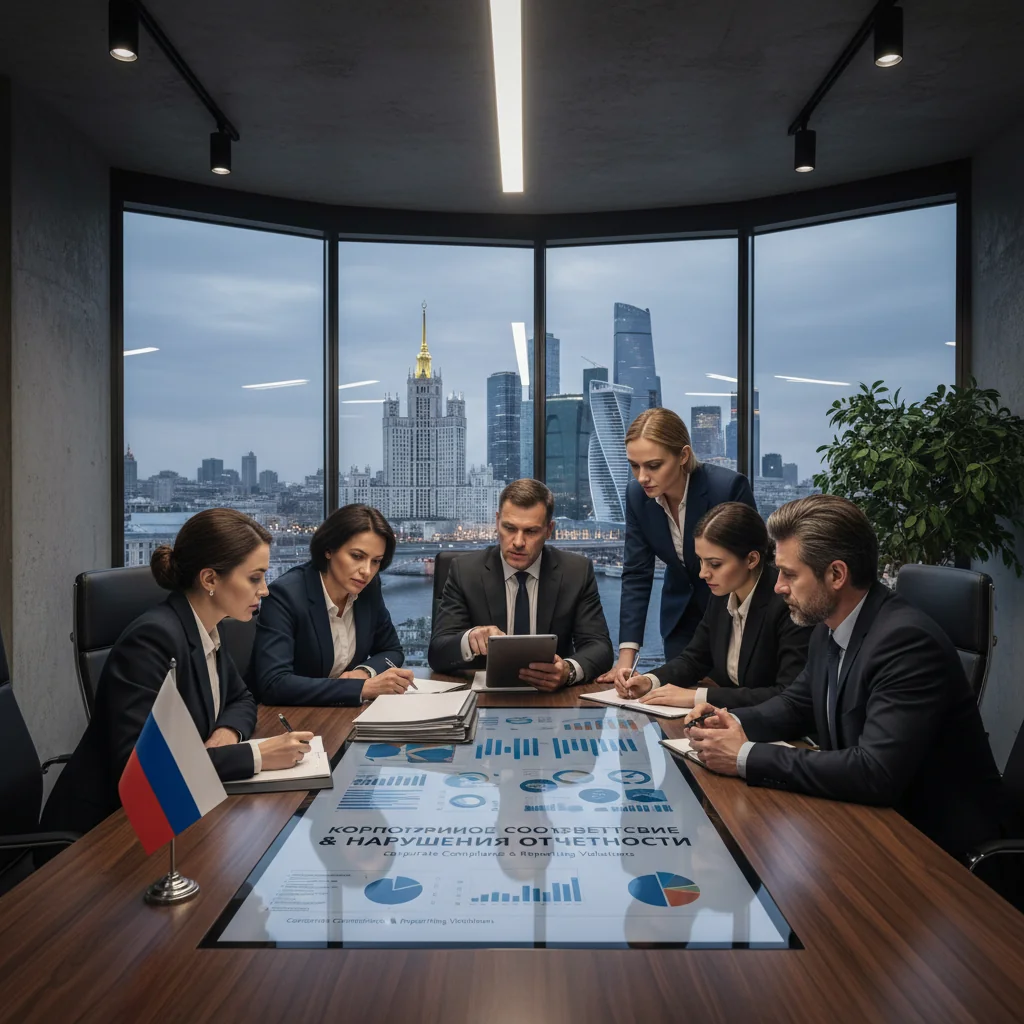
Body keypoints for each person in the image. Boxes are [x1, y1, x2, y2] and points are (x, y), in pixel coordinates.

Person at [684, 494, 1012, 858]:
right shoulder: (829, 626)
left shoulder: (906, 643)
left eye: (790, 574)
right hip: (870, 825)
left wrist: (745, 755)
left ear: (837, 574)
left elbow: (875, 772)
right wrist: (727, 722)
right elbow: (797, 705)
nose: (778, 587)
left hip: (939, 852)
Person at [42, 509, 313, 839]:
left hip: (181, 811)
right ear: (210, 579)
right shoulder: (152, 640)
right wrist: (256, 755)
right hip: (104, 837)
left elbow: (241, 698)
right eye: (255, 577)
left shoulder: (206, 628)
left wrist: (226, 734)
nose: (265, 590)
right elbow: (142, 771)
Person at [596, 407, 756, 685]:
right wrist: (625, 658)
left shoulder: (727, 488)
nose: (642, 477)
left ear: (682, 456)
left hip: (731, 619)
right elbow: (637, 573)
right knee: (673, 712)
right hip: (679, 621)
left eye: (653, 465)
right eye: (635, 466)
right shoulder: (637, 496)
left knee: (727, 707)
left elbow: (752, 568)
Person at [609, 502, 812, 709]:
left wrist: (698, 697)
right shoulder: (721, 593)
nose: (703, 573)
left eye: (715, 564)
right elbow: (694, 659)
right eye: (701, 561)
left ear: (751, 559)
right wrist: (650, 681)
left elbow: (786, 693)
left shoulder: (788, 603)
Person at [428, 479, 614, 688]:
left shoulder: (575, 572)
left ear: (549, 529)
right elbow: (437, 653)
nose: (517, 542)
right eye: (509, 528)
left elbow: (599, 647)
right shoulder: (465, 571)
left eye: (531, 531)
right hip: (483, 697)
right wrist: (469, 639)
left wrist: (568, 671)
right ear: (497, 521)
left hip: (553, 698)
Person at [251, 504, 413, 706]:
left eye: (376, 561)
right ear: (329, 549)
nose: (367, 571)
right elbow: (274, 683)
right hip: (294, 721)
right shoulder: (286, 595)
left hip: (344, 715)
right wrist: (362, 688)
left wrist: (364, 673)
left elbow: (391, 651)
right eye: (357, 556)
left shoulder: (368, 588)